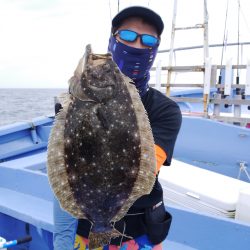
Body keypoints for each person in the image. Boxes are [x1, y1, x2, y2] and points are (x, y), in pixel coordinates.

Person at [53, 6, 182, 250]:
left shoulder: (166, 110)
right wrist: (62, 239)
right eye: (128, 36)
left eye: (148, 39)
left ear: (155, 48)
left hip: (140, 232)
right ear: (113, 39)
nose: (137, 45)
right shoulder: (71, 102)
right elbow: (63, 164)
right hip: (85, 227)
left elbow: (147, 168)